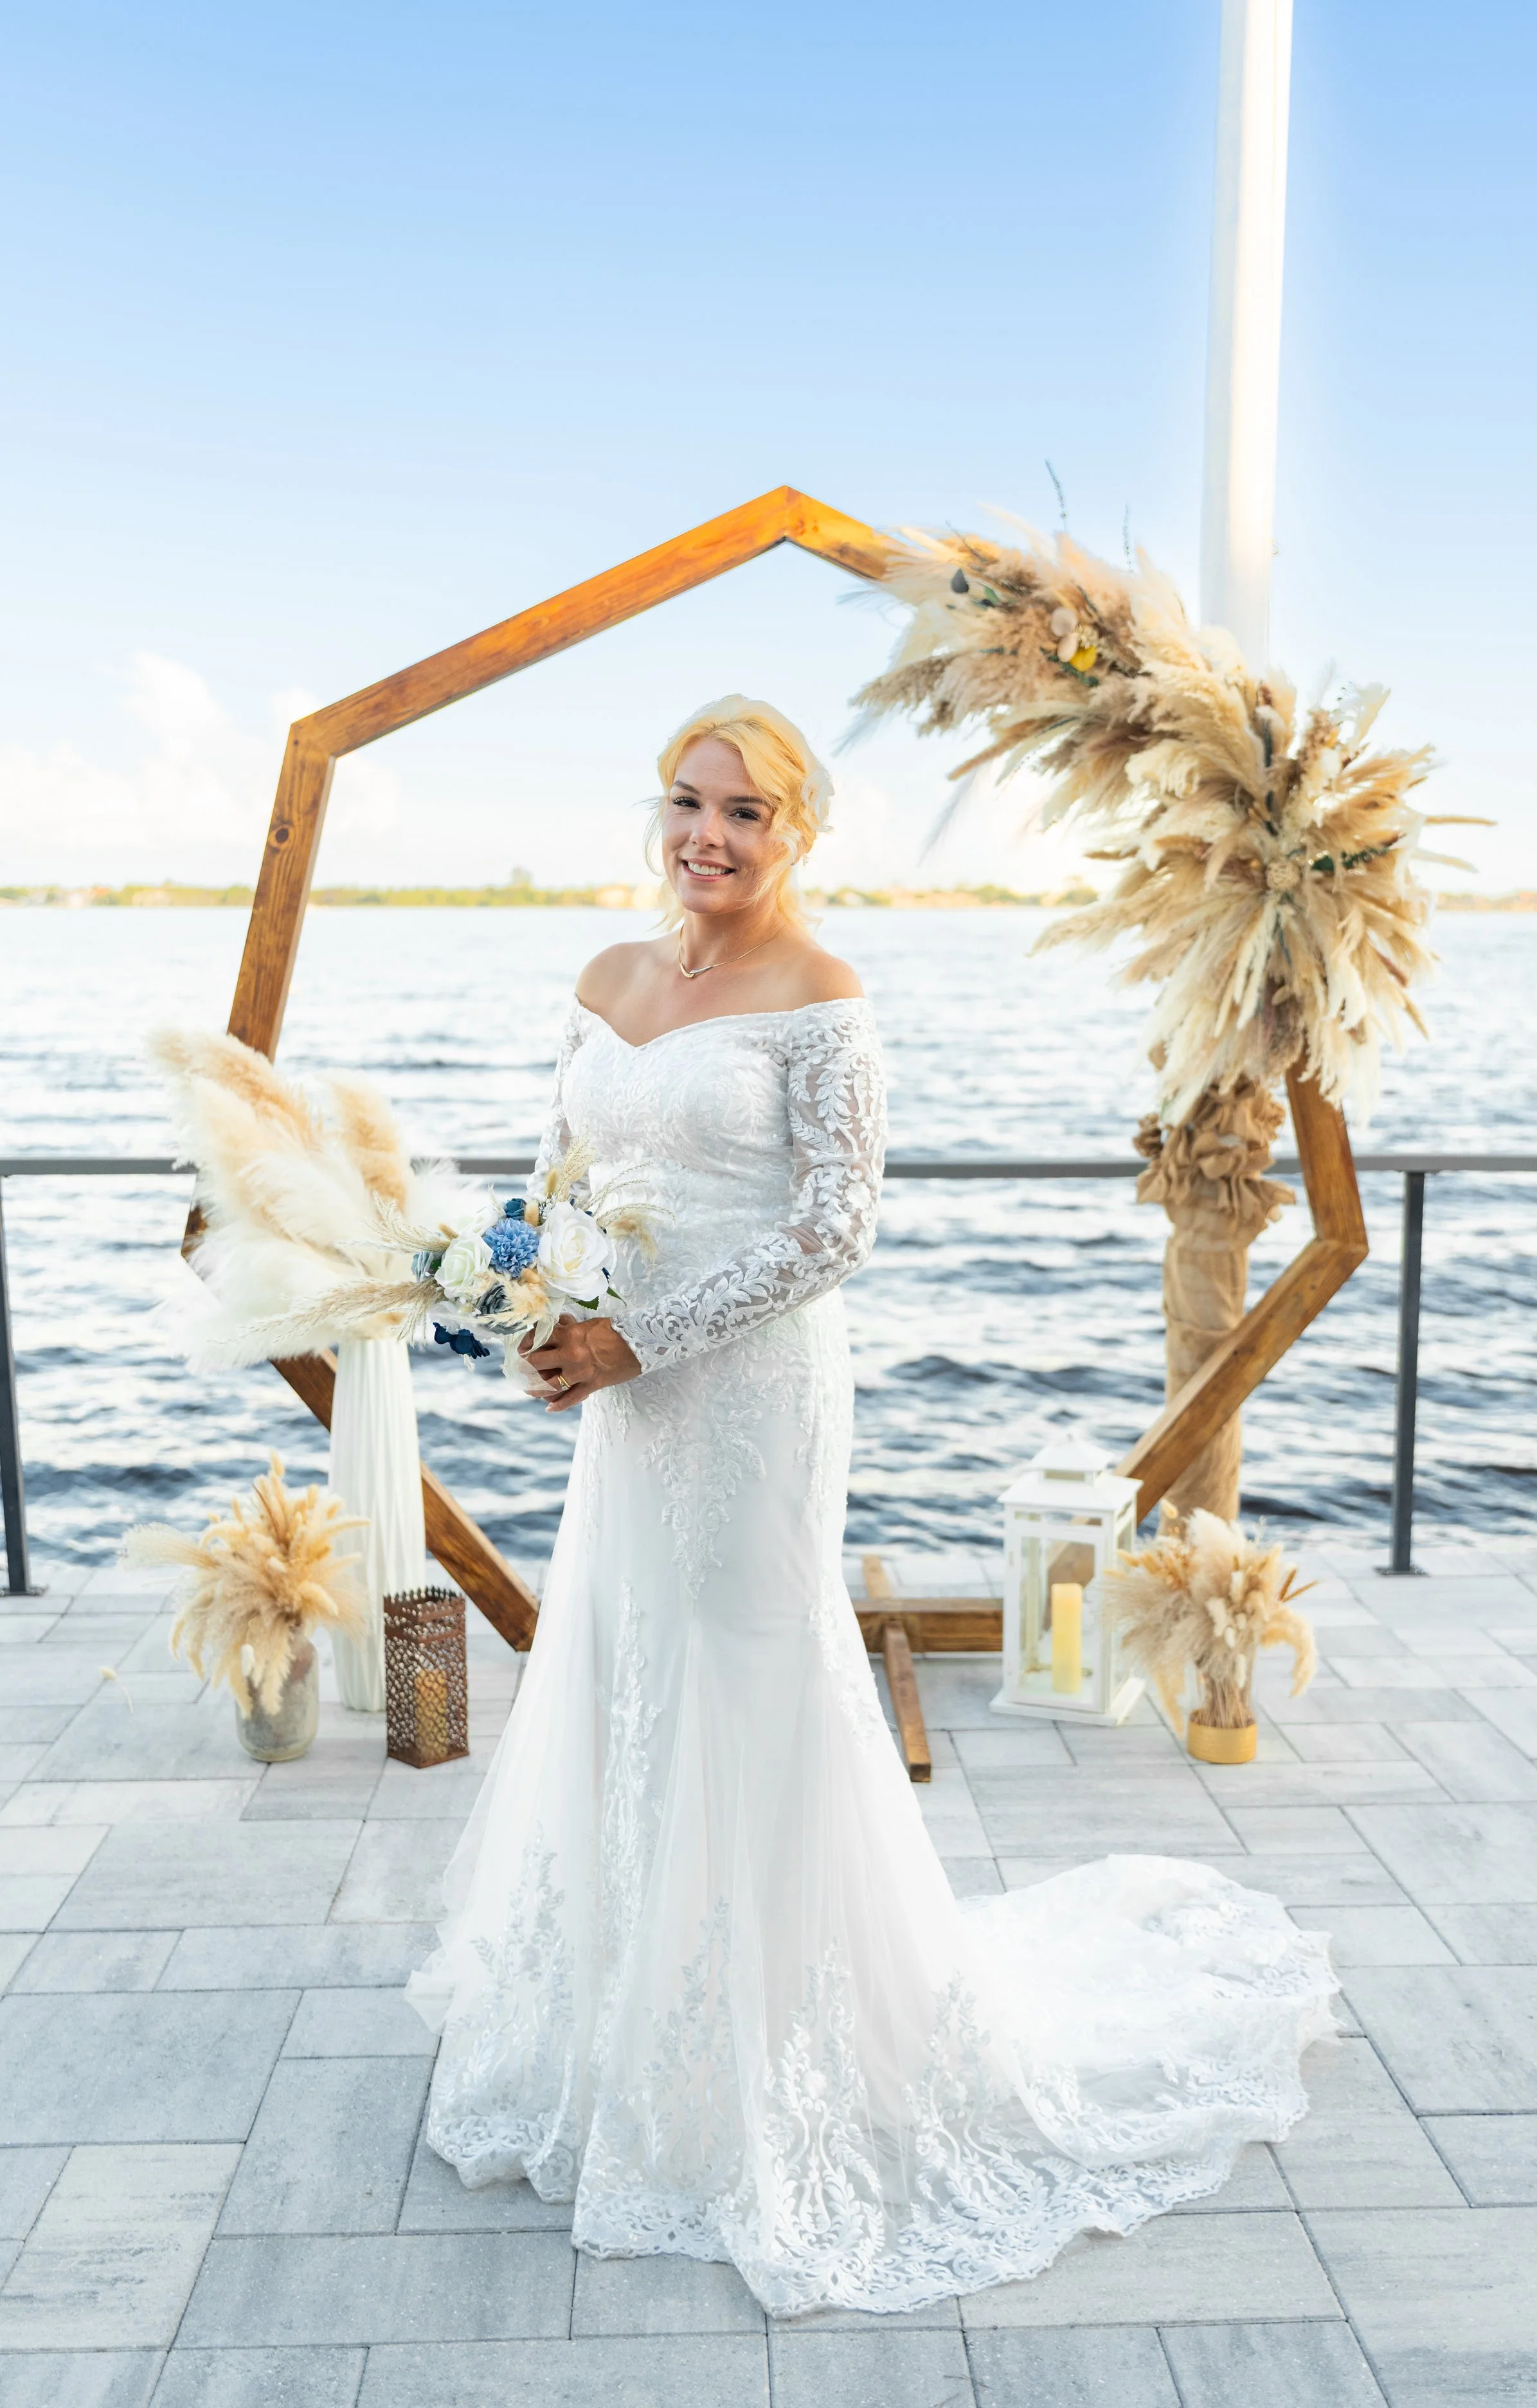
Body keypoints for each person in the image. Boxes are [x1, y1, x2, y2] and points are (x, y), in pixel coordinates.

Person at [406, 694, 1336, 2317]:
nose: (708, 833)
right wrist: (539, 1316)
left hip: (750, 1388)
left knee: (749, 1673)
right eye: (687, 800)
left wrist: (647, 1332)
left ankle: (769, 2049)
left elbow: (838, 1229)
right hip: (617, 1390)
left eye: (745, 811)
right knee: (629, 1657)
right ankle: (616, 2017)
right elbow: (552, 1180)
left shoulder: (824, 996)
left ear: (799, 833)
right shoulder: (604, 981)